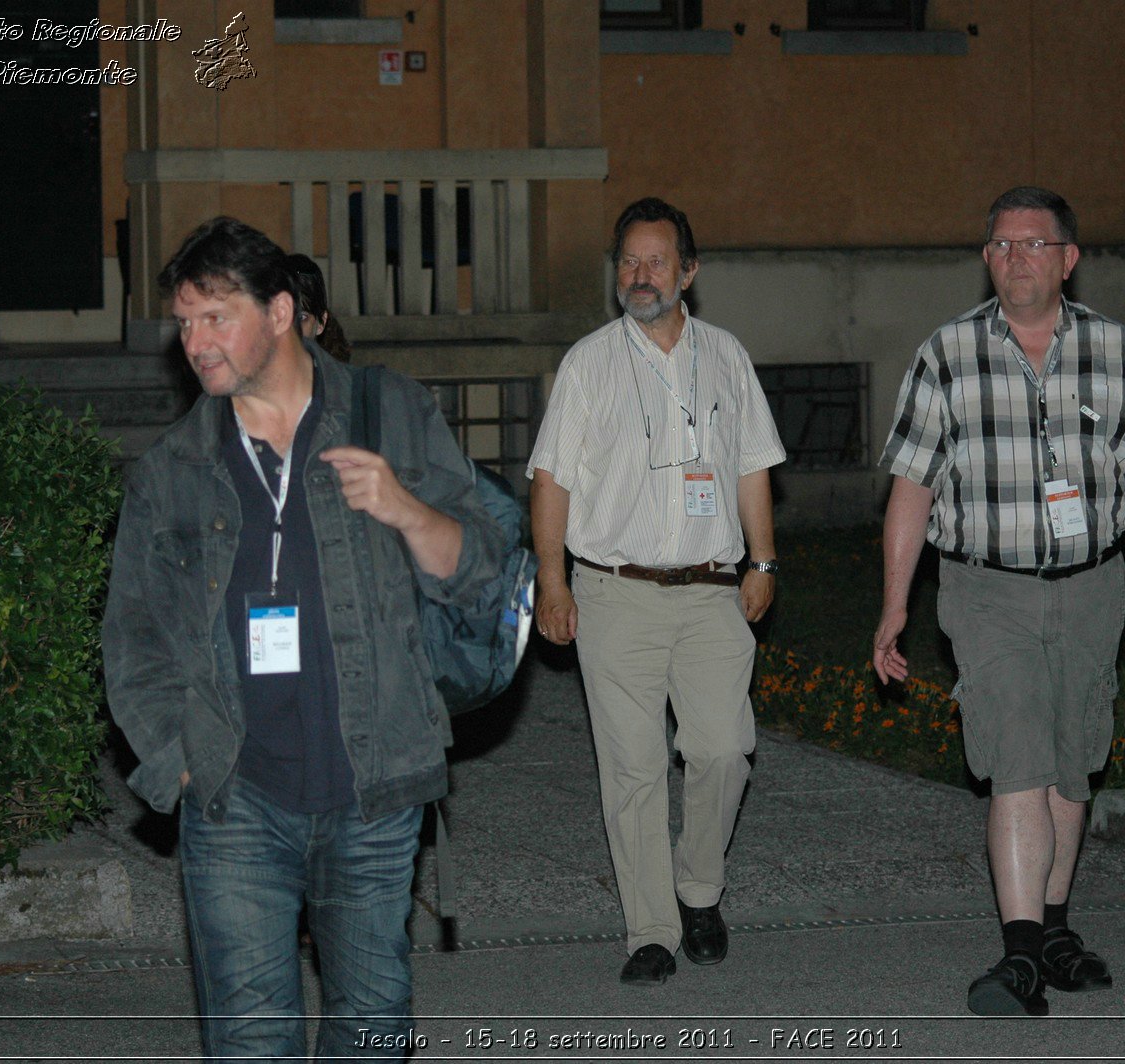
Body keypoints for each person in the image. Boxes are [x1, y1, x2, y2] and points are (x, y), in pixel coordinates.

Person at [103, 217, 501, 1059]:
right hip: (237, 794)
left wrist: (405, 508)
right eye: (184, 323)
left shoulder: (388, 409)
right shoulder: (174, 467)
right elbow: (133, 631)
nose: (195, 343)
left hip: (375, 789)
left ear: (281, 312)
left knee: (370, 1030)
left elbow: (481, 571)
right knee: (251, 1043)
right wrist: (178, 754)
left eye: (216, 317)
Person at [871, 187, 1125, 1017]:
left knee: (1073, 761)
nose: (1017, 257)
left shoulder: (1117, 351)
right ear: (987, 260)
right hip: (986, 590)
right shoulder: (945, 355)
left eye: (1034, 244)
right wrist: (894, 605)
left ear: (1068, 259)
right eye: (1003, 245)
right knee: (1016, 755)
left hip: (1092, 587)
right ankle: (1019, 955)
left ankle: (1054, 928)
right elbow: (911, 486)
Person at [527, 197, 787, 985]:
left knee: (722, 749)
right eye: (629, 263)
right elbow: (552, 479)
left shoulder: (727, 357)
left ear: (690, 272)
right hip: (616, 593)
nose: (640, 278)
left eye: (657, 263)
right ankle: (651, 928)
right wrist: (551, 580)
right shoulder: (589, 363)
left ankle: (699, 888)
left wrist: (764, 563)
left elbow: (750, 465)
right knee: (633, 768)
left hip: (713, 591)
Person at [287, 251, 352, 362]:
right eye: (284, 316)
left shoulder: (336, 376)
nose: (292, 328)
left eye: (302, 317)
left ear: (321, 323)